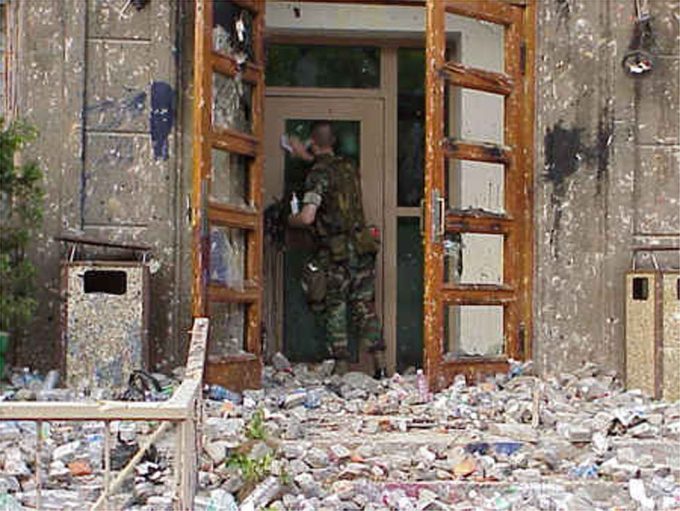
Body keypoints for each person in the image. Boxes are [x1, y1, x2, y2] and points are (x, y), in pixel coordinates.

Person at [287, 121, 387, 379]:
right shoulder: (348, 167)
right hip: (362, 246)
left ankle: (341, 366)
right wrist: (306, 156)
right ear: (333, 142)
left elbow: (308, 217)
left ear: (312, 141)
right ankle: (380, 364)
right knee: (364, 306)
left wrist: (289, 219)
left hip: (336, 251)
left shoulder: (318, 173)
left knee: (336, 306)